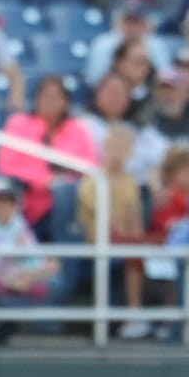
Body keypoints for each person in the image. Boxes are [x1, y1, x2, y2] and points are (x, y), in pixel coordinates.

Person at [74, 124, 149, 335]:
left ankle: (165, 320)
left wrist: (137, 240)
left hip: (123, 241)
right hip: (96, 241)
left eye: (122, 147)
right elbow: (105, 219)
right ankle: (134, 312)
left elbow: (134, 218)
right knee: (132, 255)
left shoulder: (130, 182)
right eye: (112, 146)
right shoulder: (92, 180)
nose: (117, 152)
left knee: (145, 253)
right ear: (103, 148)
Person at [0, 76, 98, 231]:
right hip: (28, 196)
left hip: (69, 199)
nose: (51, 101)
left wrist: (63, 180)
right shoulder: (18, 124)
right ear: (36, 99)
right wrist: (43, 180)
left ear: (66, 102)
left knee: (68, 193)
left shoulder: (77, 129)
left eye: (56, 96)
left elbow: (89, 166)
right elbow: (5, 165)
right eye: (46, 96)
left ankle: (64, 248)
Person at [0, 176, 60, 302]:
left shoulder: (18, 222)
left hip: (19, 270)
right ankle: (13, 286)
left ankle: (22, 284)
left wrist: (28, 269)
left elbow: (32, 253)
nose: (4, 207)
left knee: (53, 264)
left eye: (8, 203)